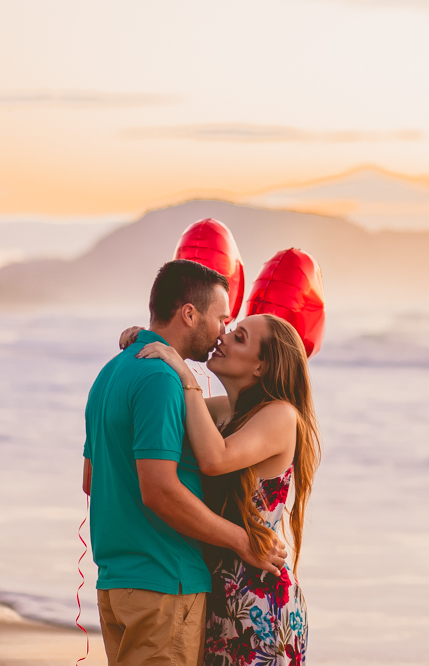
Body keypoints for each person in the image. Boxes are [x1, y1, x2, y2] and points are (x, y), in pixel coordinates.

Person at [83, 260, 287, 666]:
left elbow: (92, 480)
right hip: (165, 581)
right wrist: (241, 540)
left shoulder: (111, 372)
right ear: (190, 314)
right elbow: (159, 490)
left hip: (117, 583)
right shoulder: (161, 378)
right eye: (222, 319)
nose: (222, 332)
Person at [118, 312, 320, 666]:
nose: (223, 336)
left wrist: (186, 375)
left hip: (259, 599)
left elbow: (215, 459)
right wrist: (147, 340)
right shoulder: (224, 411)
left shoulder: (281, 415)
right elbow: (162, 414)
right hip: (217, 591)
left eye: (239, 337)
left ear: (261, 366)